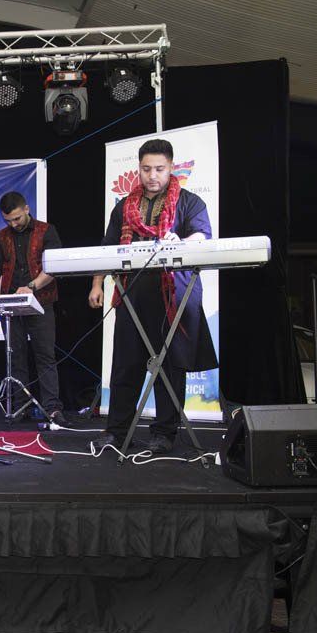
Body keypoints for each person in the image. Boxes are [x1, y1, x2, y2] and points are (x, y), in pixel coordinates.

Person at [88, 138, 217, 453]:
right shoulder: (124, 206)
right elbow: (107, 248)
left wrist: (183, 242)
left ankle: (164, 433)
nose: (152, 175)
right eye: (146, 169)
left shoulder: (189, 202)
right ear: (139, 168)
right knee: (125, 365)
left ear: (171, 167)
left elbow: (203, 235)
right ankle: (117, 433)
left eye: (159, 169)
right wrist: (96, 284)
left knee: (171, 366)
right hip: (132, 296)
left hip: (175, 299)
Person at [0, 191, 65, 424]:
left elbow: (54, 266)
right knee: (15, 356)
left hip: (41, 302)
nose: (14, 224)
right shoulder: (0, 237)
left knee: (45, 355)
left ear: (27, 209)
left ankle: (52, 408)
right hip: (11, 307)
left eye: (17, 218)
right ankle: (20, 407)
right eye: (8, 220)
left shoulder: (46, 231)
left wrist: (32, 286)